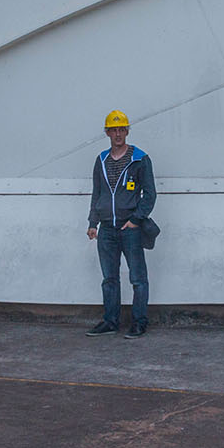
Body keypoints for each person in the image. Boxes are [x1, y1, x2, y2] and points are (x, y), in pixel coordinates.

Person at [86, 109, 156, 338]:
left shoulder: (140, 159)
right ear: (107, 133)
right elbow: (97, 193)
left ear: (127, 131)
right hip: (106, 230)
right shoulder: (102, 160)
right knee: (109, 279)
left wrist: (136, 220)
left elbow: (150, 194)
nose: (118, 134)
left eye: (122, 129)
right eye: (113, 130)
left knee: (138, 278)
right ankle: (110, 321)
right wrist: (92, 223)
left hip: (130, 230)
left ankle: (139, 322)